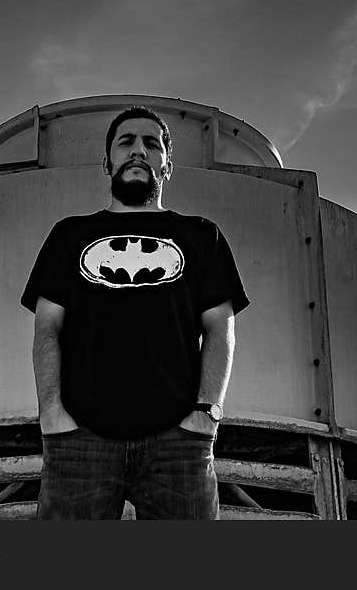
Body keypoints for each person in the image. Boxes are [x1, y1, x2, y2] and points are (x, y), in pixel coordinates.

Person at [21, 106, 249, 519]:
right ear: (107, 162)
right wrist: (52, 417)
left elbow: (221, 330)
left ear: (167, 164)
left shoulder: (201, 235)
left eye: (151, 143)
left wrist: (205, 418)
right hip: (80, 439)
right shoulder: (69, 235)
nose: (138, 151)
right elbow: (46, 331)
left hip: (178, 442)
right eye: (126, 142)